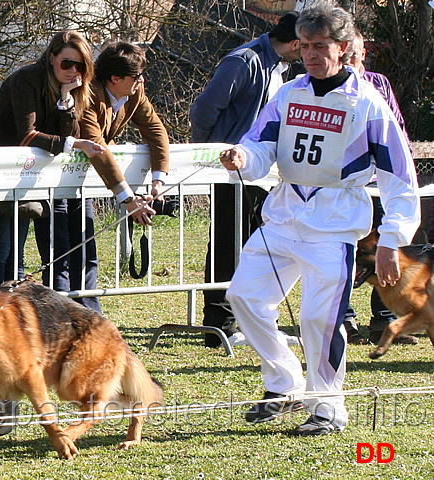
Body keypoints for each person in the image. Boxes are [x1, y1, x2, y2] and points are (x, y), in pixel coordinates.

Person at [222, 1, 419, 435]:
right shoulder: (288, 94)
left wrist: (392, 238)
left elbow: (399, 177)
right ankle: (284, 383)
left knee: (318, 319)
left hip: (335, 225)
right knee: (243, 298)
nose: (311, 54)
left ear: (344, 47)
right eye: (305, 45)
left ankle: (329, 408)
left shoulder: (367, 104)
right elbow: (261, 144)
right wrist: (242, 156)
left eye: (320, 46)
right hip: (283, 216)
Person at [189, 12, 302, 348]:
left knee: (256, 244)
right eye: (306, 45)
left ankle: (255, 319)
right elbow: (203, 110)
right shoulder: (244, 60)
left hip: (263, 172)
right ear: (295, 43)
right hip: (232, 169)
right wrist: (213, 153)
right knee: (228, 242)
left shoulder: (278, 67)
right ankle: (220, 323)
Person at [0, 31, 104, 313]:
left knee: (16, 256)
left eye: (80, 66)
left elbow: (66, 134)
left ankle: (10, 318)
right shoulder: (26, 79)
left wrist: (66, 100)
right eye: (67, 63)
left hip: (27, 179)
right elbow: (27, 135)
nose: (73, 71)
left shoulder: (69, 90)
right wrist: (71, 143)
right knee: (0, 253)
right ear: (51, 58)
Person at [342, 30, 417, 345]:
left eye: (358, 54)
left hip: (381, 185)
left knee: (389, 252)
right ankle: (343, 319)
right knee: (347, 253)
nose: (354, 60)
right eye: (349, 55)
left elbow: (397, 128)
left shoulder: (379, 84)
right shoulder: (330, 89)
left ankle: (384, 319)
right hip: (350, 188)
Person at [80, 41, 170, 227]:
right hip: (58, 177)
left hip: (88, 175)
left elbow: (155, 130)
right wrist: (128, 199)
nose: (142, 80)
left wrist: (158, 182)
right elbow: (97, 145)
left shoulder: (135, 92)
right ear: (115, 78)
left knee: (88, 252)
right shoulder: (87, 95)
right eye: (136, 76)